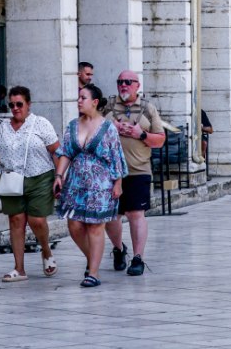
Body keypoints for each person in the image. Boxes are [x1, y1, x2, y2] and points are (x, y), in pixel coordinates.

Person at [0, 85, 60, 282]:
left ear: (28, 104)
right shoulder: (3, 128)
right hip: (11, 179)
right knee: (16, 222)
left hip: (40, 176)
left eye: (19, 104)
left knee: (37, 220)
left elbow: (56, 151)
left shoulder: (41, 124)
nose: (15, 108)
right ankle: (19, 268)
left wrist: (60, 177)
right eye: (12, 104)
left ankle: (46, 250)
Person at [54, 84, 127, 288]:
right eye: (78, 97)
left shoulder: (108, 128)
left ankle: (93, 273)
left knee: (95, 226)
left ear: (94, 102)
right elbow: (66, 152)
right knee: (74, 224)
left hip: (101, 184)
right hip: (76, 183)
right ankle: (92, 258)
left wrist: (118, 182)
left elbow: (116, 157)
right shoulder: (72, 126)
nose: (78, 101)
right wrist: (59, 176)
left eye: (83, 98)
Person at [105, 70, 165, 277]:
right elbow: (92, 126)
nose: (123, 85)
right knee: (112, 215)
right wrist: (109, 127)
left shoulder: (148, 109)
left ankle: (138, 258)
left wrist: (141, 134)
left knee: (136, 214)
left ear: (137, 85)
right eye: (120, 81)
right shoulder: (109, 107)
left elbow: (160, 140)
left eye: (128, 82)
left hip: (139, 170)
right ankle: (119, 249)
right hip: (111, 172)